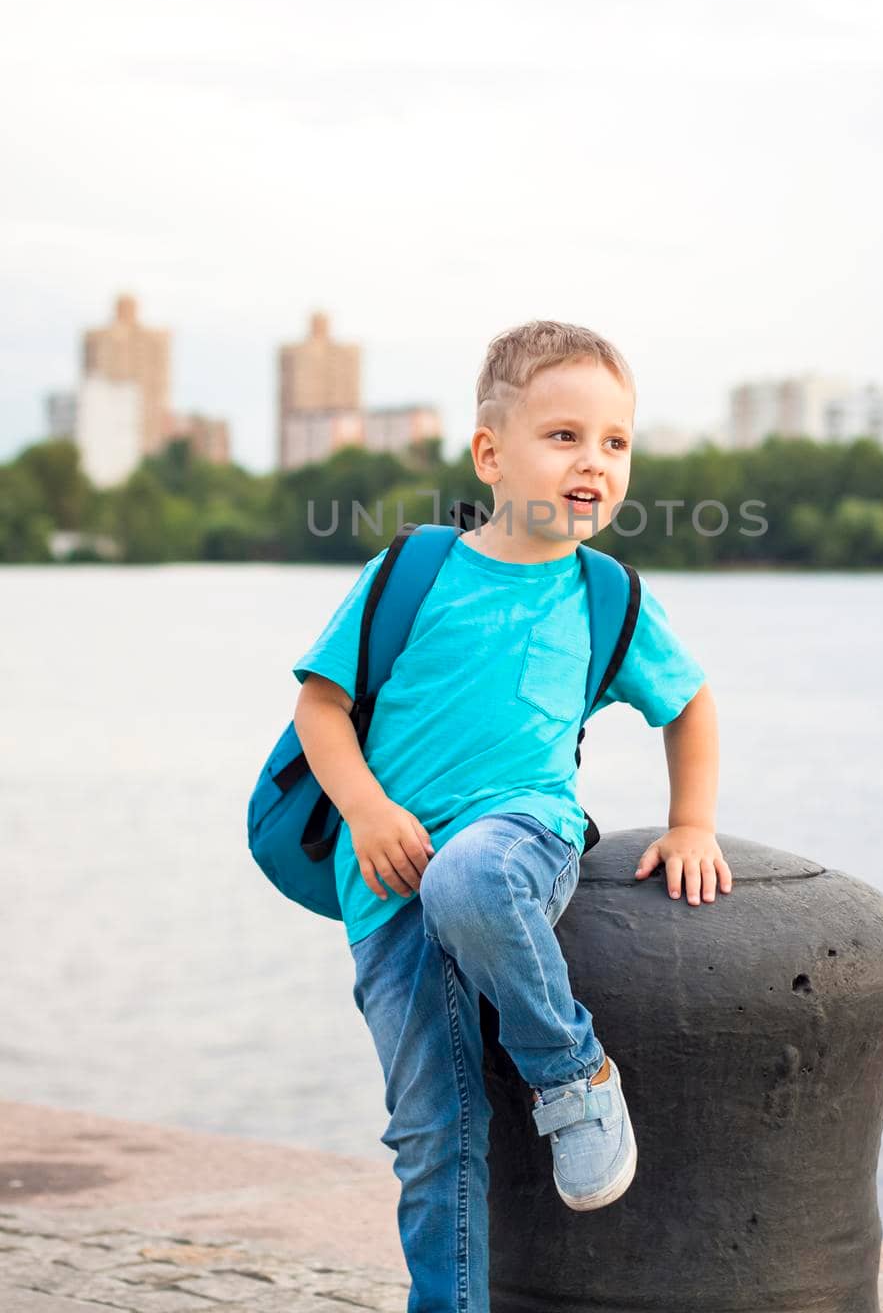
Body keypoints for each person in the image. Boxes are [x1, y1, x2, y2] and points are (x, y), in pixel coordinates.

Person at [292, 319, 730, 1313]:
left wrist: (690, 822)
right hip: (385, 884)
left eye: (614, 442)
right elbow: (318, 705)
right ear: (490, 452)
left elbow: (689, 703)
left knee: (472, 873)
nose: (594, 462)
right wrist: (362, 810)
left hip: (518, 839)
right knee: (430, 1135)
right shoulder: (413, 572)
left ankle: (571, 1075)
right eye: (564, 436)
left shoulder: (601, 593)